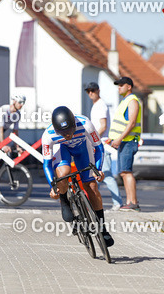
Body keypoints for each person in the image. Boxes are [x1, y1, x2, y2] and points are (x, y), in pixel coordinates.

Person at [42, 106, 114, 247]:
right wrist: (53, 186)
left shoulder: (85, 123)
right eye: (63, 133)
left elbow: (99, 148)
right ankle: (64, 200)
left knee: (92, 186)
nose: (67, 135)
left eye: (69, 131)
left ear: (74, 124)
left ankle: (102, 228)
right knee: (63, 173)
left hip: (83, 149)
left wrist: (97, 170)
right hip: (62, 150)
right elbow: (46, 164)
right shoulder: (48, 135)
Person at [104, 76, 141, 210]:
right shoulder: (125, 101)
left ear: (129, 87)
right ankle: (130, 202)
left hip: (128, 141)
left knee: (127, 171)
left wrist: (119, 139)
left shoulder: (132, 101)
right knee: (124, 172)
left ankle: (133, 202)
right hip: (124, 141)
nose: (119, 87)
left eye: (121, 85)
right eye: (118, 85)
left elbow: (131, 123)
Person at [85, 82, 122, 210]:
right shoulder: (96, 105)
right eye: (88, 91)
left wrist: (92, 139)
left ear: (98, 91)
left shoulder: (100, 105)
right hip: (97, 144)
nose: (90, 93)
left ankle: (118, 203)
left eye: (92, 90)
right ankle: (94, 201)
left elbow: (103, 126)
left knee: (105, 174)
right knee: (96, 175)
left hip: (102, 145)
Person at [0, 94, 25, 177]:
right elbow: (0, 130)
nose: (22, 105)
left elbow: (15, 132)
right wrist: (3, 145)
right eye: (20, 102)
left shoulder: (17, 115)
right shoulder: (4, 109)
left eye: (23, 102)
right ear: (14, 101)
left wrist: (17, 147)